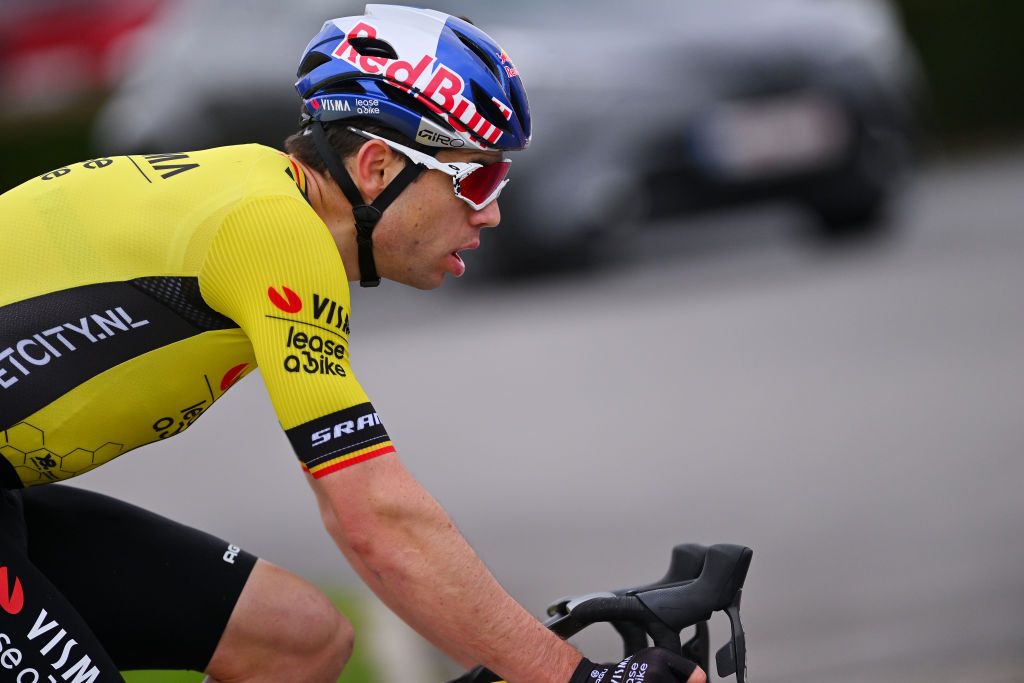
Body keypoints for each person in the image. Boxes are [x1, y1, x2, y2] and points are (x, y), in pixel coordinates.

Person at [0, 5, 705, 682]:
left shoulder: (265, 203)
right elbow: (371, 513)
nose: (491, 212)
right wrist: (572, 676)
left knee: (297, 640)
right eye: (478, 176)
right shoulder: (273, 232)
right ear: (375, 167)